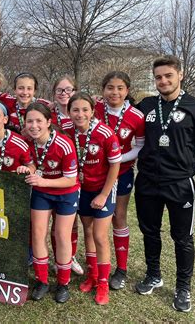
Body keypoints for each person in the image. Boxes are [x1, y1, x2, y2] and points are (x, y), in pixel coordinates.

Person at [134, 55, 195, 312]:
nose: (163, 81)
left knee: (182, 238)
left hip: (179, 183)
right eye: (158, 77)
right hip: (147, 181)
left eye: (168, 75)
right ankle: (154, 274)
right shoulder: (146, 105)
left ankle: (183, 287)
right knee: (149, 232)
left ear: (179, 75)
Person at [65, 92, 121, 305]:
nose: (80, 114)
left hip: (103, 189)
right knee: (87, 231)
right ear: (69, 112)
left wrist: (104, 194)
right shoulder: (68, 132)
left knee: (99, 235)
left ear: (92, 111)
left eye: (85, 110)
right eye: (75, 110)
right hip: (82, 189)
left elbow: (115, 165)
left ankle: (104, 283)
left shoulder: (105, 133)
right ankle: (93, 275)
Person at [22, 103, 79, 303]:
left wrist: (43, 181)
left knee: (62, 235)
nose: (34, 125)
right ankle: (42, 281)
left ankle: (63, 283)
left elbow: (71, 179)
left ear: (48, 122)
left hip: (65, 193)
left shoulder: (64, 143)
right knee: (38, 234)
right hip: (42, 192)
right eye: (30, 121)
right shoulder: (27, 142)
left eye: (39, 121)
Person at [94, 71, 145, 290]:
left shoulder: (136, 116)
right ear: (103, 89)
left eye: (120, 88)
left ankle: (121, 269)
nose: (114, 92)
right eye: (110, 87)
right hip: (95, 172)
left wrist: (116, 159)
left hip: (122, 172)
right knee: (92, 219)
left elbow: (139, 146)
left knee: (119, 217)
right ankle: (95, 266)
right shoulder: (93, 108)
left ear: (127, 91)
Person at [50, 76, 83, 276]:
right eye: (60, 90)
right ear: (54, 94)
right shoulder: (47, 114)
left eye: (69, 90)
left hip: (78, 175)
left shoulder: (80, 113)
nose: (64, 94)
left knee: (72, 220)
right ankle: (58, 258)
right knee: (56, 220)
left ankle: (70, 256)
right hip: (53, 175)